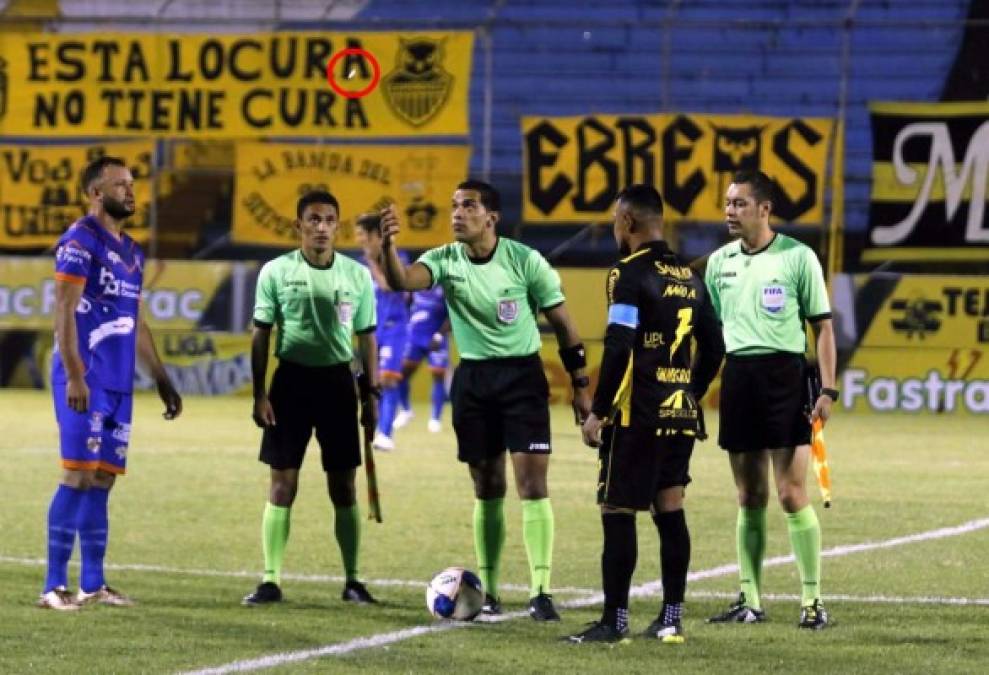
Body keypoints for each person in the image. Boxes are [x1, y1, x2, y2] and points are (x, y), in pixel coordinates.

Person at [379, 179, 592, 621]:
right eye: (454, 205)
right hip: (474, 381)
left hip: (522, 378)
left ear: (491, 217)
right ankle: (491, 591)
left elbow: (566, 326)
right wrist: (387, 248)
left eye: (468, 206)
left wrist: (581, 385)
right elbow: (403, 279)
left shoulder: (524, 260)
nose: (457, 213)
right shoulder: (443, 258)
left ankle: (540, 591)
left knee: (532, 484)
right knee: (487, 486)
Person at [567, 185, 724, 643]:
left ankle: (614, 622)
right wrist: (687, 392)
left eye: (616, 221)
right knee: (669, 508)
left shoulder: (627, 273)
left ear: (628, 222)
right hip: (679, 412)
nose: (615, 229)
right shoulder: (692, 277)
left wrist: (598, 411)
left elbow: (619, 344)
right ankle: (671, 617)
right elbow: (714, 348)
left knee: (616, 508)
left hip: (636, 413)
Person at [40, 155, 182, 610]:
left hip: (119, 382)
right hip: (86, 377)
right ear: (96, 193)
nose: (131, 191)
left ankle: (93, 583)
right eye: (120, 185)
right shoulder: (81, 239)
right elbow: (64, 308)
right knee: (77, 474)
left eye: (132, 183)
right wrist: (76, 375)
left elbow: (136, 320)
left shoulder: (133, 252)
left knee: (103, 479)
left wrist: (161, 377)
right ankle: (54, 586)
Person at [703, 170, 837, 630]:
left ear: (764, 209)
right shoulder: (718, 262)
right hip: (739, 378)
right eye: (727, 203)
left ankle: (812, 602)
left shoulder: (798, 258)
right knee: (749, 494)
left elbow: (823, 327)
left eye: (739, 203)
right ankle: (750, 599)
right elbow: (715, 333)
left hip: (786, 377)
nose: (729, 211)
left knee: (790, 492)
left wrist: (828, 388)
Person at [243, 190, 381, 607]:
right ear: (298, 226)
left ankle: (353, 580)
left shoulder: (357, 276)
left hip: (338, 385)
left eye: (329, 220)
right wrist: (259, 393)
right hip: (291, 386)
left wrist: (370, 395)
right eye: (314, 219)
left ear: (337, 226)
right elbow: (261, 334)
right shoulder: (276, 271)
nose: (321, 227)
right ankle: (270, 579)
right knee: (283, 483)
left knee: (344, 486)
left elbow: (367, 336)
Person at [355, 213, 409, 451]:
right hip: (371, 330)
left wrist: (373, 263)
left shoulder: (397, 258)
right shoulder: (359, 265)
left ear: (377, 236)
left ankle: (386, 434)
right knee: (371, 383)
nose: (359, 240)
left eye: (362, 235)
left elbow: (390, 285)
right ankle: (376, 427)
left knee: (387, 379)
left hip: (395, 327)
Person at [395, 285, 450, 433]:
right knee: (399, 375)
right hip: (415, 337)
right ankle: (406, 410)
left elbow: (452, 315)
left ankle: (435, 419)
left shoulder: (443, 289)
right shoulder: (415, 287)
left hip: (436, 338)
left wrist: (439, 335)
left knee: (438, 376)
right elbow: (406, 305)